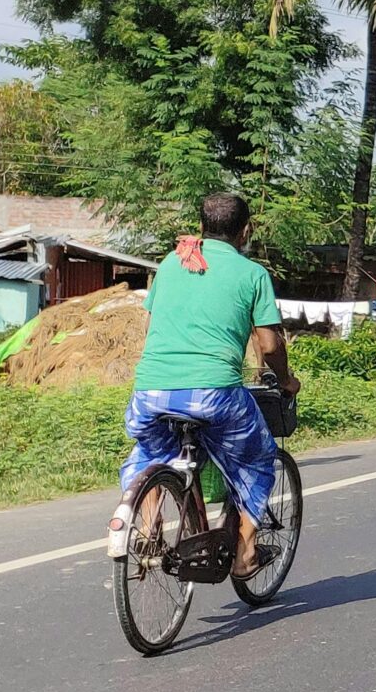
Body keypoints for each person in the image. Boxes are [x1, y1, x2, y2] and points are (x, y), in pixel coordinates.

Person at [107, 192, 300, 575]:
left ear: (201, 227)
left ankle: (147, 522)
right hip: (214, 394)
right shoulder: (252, 274)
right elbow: (269, 344)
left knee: (149, 453)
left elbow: (152, 327)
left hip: (150, 391)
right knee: (258, 459)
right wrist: (286, 379)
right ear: (246, 231)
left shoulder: (170, 265)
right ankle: (245, 555)